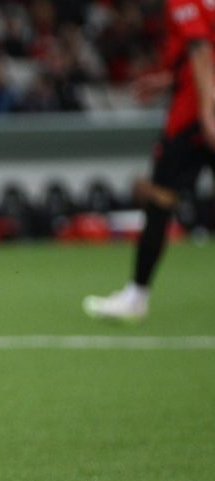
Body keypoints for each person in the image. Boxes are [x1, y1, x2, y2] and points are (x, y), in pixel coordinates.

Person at [84, 0, 215, 322]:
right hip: (196, 102)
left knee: (159, 200)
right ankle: (135, 295)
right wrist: (171, 80)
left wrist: (208, 111)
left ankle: (136, 296)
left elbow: (200, 51)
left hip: (192, 117)